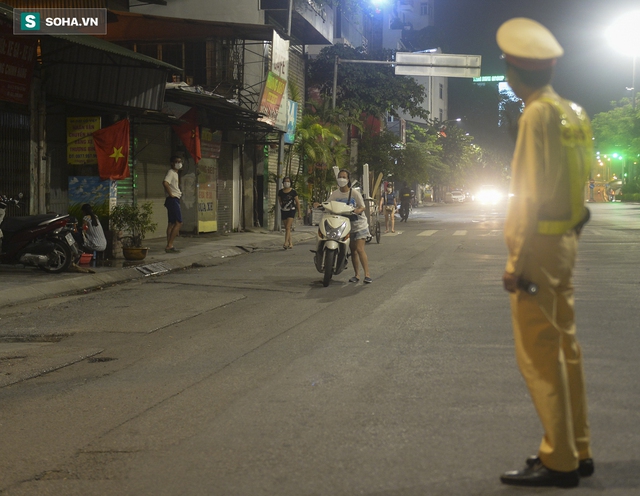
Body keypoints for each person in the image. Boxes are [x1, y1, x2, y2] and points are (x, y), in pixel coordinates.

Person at [497, 18, 593, 489]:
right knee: (566, 349)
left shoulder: (536, 114)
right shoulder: (574, 112)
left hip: (539, 250)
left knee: (541, 356)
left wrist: (516, 262)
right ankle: (580, 447)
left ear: (514, 72)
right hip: (567, 245)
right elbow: (581, 185)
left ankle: (559, 460)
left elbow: (526, 195)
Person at [327, 170, 372, 283]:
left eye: (344, 177)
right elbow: (328, 204)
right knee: (353, 251)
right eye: (340, 177)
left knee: (360, 249)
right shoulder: (335, 194)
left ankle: (367, 274)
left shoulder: (354, 193)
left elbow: (363, 207)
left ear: (348, 180)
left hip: (359, 225)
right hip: (345, 226)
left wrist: (357, 210)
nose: (341, 179)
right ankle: (357, 275)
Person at [163, 155, 183, 253]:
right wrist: (171, 194)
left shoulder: (175, 173)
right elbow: (165, 183)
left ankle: (169, 245)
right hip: (173, 199)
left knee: (171, 223)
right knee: (179, 222)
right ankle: (170, 245)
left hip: (173, 199)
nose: (179, 163)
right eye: (176, 161)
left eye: (180, 161)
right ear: (172, 163)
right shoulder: (171, 172)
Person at [278, 176, 302, 249]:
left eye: (288, 181)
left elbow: (297, 202)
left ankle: (285, 243)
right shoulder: (280, 192)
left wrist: (299, 213)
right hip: (284, 210)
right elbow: (280, 201)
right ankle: (290, 243)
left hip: (291, 210)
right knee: (287, 228)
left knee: (288, 227)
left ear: (290, 183)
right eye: (285, 181)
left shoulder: (293, 192)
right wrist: (282, 206)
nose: (287, 183)